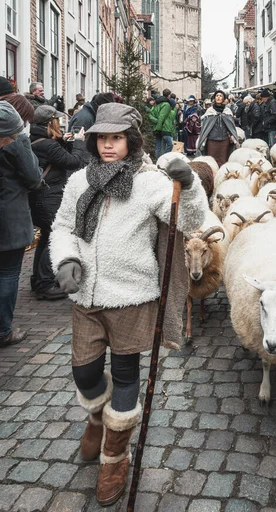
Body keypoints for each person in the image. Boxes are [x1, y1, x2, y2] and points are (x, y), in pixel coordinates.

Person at [49, 102, 208, 505]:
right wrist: (65, 258)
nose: (107, 145)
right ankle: (97, 418)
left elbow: (189, 223)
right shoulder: (80, 181)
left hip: (132, 298)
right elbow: (64, 226)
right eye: (101, 137)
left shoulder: (150, 183)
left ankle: (114, 457)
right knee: (84, 373)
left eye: (116, 138)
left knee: (124, 373)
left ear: (131, 141)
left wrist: (187, 186)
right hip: (86, 296)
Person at [29, 105, 86, 299]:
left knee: (46, 237)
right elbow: (74, 162)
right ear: (51, 122)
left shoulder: (37, 140)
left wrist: (64, 140)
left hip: (40, 197)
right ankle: (45, 284)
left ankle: (38, 279)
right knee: (52, 237)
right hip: (48, 197)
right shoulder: (48, 145)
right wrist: (79, 142)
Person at [0, 102, 42, 346]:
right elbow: (34, 178)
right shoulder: (15, 143)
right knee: (7, 273)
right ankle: (4, 330)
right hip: (9, 216)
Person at [196, 90, 239, 166]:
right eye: (217, 96)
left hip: (224, 141)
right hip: (212, 140)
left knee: (223, 161)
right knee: (211, 162)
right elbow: (205, 126)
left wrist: (233, 137)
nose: (218, 97)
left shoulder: (227, 111)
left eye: (220, 96)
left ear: (223, 99)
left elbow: (231, 126)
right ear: (214, 98)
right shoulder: (210, 111)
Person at [149, 89, 176, 159]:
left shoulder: (157, 103)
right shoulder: (166, 105)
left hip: (157, 126)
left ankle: (158, 161)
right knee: (169, 144)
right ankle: (163, 159)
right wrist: (159, 127)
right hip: (162, 127)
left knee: (159, 146)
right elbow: (162, 117)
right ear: (169, 95)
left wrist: (156, 122)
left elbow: (150, 114)